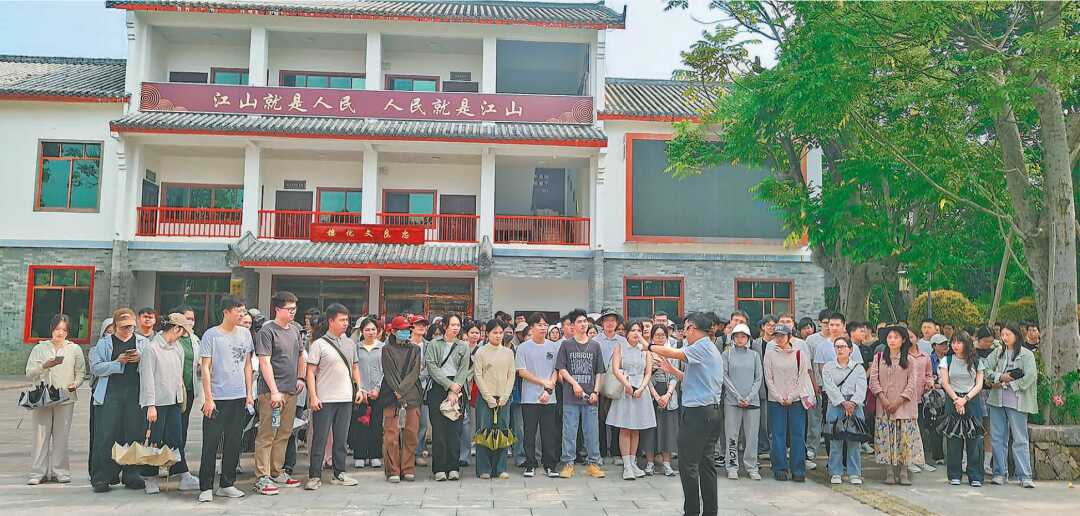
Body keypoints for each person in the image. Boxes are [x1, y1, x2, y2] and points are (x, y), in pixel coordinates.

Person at [648, 312, 724, 516]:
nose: (684, 332)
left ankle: (691, 512)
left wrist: (649, 345)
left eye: (687, 328)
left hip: (698, 413)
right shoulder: (708, 347)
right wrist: (671, 370)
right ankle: (710, 512)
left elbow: (674, 352)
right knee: (706, 464)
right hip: (710, 412)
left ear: (694, 329)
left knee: (688, 465)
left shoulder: (700, 346)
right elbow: (692, 379)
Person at [197, 296, 254, 503]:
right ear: (226, 312)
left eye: (243, 311)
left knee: (233, 442)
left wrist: (249, 394)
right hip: (217, 397)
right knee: (211, 443)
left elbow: (247, 365)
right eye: (238, 311)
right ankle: (205, 487)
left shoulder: (245, 334)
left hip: (238, 396)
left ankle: (227, 484)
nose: (242, 315)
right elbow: (205, 367)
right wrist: (208, 398)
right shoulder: (211, 335)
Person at [303, 303, 363, 490]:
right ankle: (314, 476)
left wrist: (359, 388)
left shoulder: (350, 343)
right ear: (331, 321)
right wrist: (313, 396)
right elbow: (310, 372)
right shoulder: (319, 344)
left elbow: (355, 367)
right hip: (325, 398)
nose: (346, 323)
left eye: (347, 320)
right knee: (319, 439)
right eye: (342, 320)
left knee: (341, 439)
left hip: (345, 398)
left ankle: (339, 473)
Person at [89, 308, 149, 492]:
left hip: (135, 394)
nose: (127, 330)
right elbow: (96, 368)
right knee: (105, 435)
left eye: (130, 326)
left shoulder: (143, 342)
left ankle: (132, 474)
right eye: (123, 327)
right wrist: (117, 362)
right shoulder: (104, 344)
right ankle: (102, 477)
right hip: (110, 393)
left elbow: (152, 367)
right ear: (115, 326)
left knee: (134, 434)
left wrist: (141, 359)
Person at [138, 313, 198, 494]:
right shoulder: (152, 348)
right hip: (156, 403)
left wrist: (180, 399)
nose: (183, 335)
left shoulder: (177, 347)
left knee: (176, 439)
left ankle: (182, 474)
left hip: (174, 401)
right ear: (176, 328)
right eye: (182, 331)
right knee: (153, 442)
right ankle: (150, 478)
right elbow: (147, 378)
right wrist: (150, 405)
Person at [253, 291, 306, 495]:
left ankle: (277, 471)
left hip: (291, 390)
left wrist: (301, 378)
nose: (292, 312)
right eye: (289, 309)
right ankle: (262, 476)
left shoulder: (294, 330)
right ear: (277, 309)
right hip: (271, 393)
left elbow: (301, 355)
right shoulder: (267, 331)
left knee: (284, 432)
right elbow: (264, 362)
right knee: (267, 433)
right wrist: (274, 391)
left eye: (294, 309)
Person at [25, 314, 85, 485]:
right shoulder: (40, 348)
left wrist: (76, 384)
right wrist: (45, 365)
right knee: (40, 436)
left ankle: (61, 471)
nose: (60, 333)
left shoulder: (74, 349)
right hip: (42, 397)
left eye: (64, 330)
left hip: (65, 397)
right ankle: (38, 472)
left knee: (61, 436)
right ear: (51, 329)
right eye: (57, 329)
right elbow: (29, 373)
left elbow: (81, 372)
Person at [555, 308, 608, 479]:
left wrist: (596, 391)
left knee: (592, 432)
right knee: (569, 431)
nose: (583, 324)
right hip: (570, 397)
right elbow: (561, 369)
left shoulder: (595, 345)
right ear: (572, 325)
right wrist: (574, 384)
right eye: (579, 321)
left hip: (590, 397)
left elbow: (599, 372)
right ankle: (568, 463)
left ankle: (593, 464)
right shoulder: (566, 345)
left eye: (585, 321)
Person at [986, 323, 1038, 488]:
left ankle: (1025, 475)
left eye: (1008, 334)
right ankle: (999, 473)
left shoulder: (1026, 354)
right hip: (997, 400)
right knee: (997, 438)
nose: (1005, 337)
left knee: (1020, 438)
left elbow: (1030, 376)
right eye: (1003, 334)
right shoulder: (998, 352)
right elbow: (985, 368)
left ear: (1016, 335)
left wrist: (1012, 383)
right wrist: (1000, 377)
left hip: (1017, 402)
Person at [868, 326, 921, 485]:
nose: (892, 340)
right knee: (887, 440)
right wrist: (883, 400)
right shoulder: (879, 358)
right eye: (890, 337)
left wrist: (898, 402)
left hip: (905, 408)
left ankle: (904, 472)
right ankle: (889, 472)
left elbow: (911, 385)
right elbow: (873, 381)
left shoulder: (910, 360)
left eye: (896, 337)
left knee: (904, 441)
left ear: (903, 340)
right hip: (884, 407)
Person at [763, 323, 814, 482]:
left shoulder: (799, 354)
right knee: (778, 434)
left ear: (789, 336)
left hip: (796, 400)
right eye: (776, 336)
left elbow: (802, 378)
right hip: (775, 400)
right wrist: (779, 397)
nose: (779, 339)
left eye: (782, 336)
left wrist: (791, 396)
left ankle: (798, 470)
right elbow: (768, 378)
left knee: (797, 435)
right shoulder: (769, 354)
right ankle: (780, 469)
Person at [606, 320, 656, 480]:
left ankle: (633, 462)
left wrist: (641, 388)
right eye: (633, 330)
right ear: (626, 333)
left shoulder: (646, 350)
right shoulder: (619, 347)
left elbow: (648, 372)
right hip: (625, 388)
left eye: (639, 330)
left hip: (641, 389)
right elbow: (615, 369)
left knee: (636, 428)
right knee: (625, 427)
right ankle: (626, 465)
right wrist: (626, 385)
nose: (636, 333)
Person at [516, 313, 561, 478]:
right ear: (532, 327)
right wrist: (543, 382)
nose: (543, 328)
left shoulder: (553, 347)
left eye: (545, 325)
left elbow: (556, 370)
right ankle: (530, 463)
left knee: (549, 432)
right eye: (539, 325)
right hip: (529, 397)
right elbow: (522, 371)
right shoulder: (523, 348)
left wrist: (548, 390)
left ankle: (550, 464)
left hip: (549, 397)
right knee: (529, 433)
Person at [425, 313, 470, 481]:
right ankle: (439, 468)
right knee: (439, 430)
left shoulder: (463, 346)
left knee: (454, 430)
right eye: (452, 325)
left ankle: (453, 467)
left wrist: (455, 389)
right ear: (445, 326)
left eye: (458, 325)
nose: (456, 328)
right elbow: (432, 367)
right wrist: (449, 386)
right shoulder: (434, 344)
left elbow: (464, 369)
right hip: (438, 387)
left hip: (458, 388)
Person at [939, 331, 986, 487]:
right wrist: (956, 400)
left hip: (971, 400)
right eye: (953, 342)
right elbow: (945, 383)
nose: (955, 345)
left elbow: (979, 384)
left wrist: (965, 399)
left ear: (966, 344)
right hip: (953, 400)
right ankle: (954, 474)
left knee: (974, 439)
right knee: (954, 438)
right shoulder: (946, 360)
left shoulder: (977, 361)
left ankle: (975, 476)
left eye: (959, 342)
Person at [472, 319, 516, 479]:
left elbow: (511, 375)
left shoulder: (508, 353)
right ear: (487, 334)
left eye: (500, 333)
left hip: (504, 398)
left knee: (503, 431)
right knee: (484, 431)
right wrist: (488, 397)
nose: (498, 335)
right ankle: (484, 468)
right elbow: (478, 375)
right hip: (485, 398)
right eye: (494, 332)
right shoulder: (481, 352)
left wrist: (505, 395)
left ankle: (500, 468)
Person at [382, 315, 423, 483]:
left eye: (407, 330)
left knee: (411, 434)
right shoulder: (386, 349)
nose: (405, 333)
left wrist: (402, 390)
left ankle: (408, 468)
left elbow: (415, 372)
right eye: (402, 330)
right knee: (391, 436)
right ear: (393, 331)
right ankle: (393, 470)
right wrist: (398, 391)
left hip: (412, 397)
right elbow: (389, 372)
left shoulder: (415, 349)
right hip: (392, 397)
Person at [822, 336, 867, 485]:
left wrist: (852, 403)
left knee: (854, 440)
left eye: (843, 346)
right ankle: (835, 472)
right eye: (837, 347)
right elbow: (829, 387)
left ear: (850, 349)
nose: (840, 349)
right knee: (835, 440)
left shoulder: (858, 368)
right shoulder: (828, 367)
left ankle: (854, 472)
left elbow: (862, 388)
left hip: (855, 406)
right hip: (836, 405)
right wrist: (842, 402)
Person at [721, 323, 762, 481]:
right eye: (737, 336)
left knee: (752, 436)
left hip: (752, 402)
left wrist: (749, 397)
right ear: (732, 338)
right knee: (732, 435)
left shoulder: (754, 355)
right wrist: (737, 396)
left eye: (743, 336)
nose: (740, 339)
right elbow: (725, 376)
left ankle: (751, 467)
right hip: (732, 402)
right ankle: (732, 466)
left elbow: (758, 378)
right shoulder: (727, 354)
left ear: (748, 338)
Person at [169, 305, 202, 483]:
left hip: (188, 390)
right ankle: (174, 465)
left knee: (182, 428)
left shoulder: (194, 339)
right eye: (187, 318)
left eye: (192, 319)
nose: (190, 322)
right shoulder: (171, 338)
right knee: (173, 429)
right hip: (171, 391)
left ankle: (177, 465)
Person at [642, 324, 680, 477]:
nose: (659, 338)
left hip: (668, 394)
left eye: (662, 335)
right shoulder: (647, 353)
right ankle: (650, 463)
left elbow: (675, 376)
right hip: (651, 392)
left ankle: (667, 464)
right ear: (651, 337)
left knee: (668, 430)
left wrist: (667, 395)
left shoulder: (672, 352)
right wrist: (656, 396)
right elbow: (645, 376)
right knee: (650, 430)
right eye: (656, 335)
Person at [350, 317, 385, 469]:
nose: (370, 332)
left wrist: (377, 388)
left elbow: (386, 370)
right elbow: (353, 369)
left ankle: (375, 455)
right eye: (367, 329)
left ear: (378, 331)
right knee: (360, 424)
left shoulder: (383, 347)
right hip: (361, 393)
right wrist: (360, 389)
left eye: (373, 329)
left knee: (376, 424)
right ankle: (360, 455)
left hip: (378, 392)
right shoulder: (356, 348)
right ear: (361, 331)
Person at [594, 309, 627, 464]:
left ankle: (616, 452)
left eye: (613, 320)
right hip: (599, 382)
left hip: (616, 383)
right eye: (606, 320)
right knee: (599, 419)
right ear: (602, 323)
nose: (610, 323)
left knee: (617, 418)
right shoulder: (595, 340)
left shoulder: (622, 341)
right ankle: (600, 452)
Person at [405, 315, 431, 466]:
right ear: (411, 327)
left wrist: (419, 376)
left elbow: (430, 366)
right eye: (418, 324)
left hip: (424, 387)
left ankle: (418, 452)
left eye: (424, 325)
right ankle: (406, 454)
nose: (421, 327)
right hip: (407, 388)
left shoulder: (429, 345)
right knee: (407, 423)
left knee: (422, 423)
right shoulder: (404, 344)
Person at [458, 320, 483, 466]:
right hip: (460, 388)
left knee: (473, 421)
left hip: (476, 389)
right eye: (472, 332)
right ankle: (462, 454)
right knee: (464, 422)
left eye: (477, 333)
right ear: (466, 334)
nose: (474, 335)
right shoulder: (460, 348)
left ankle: (469, 452)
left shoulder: (482, 350)